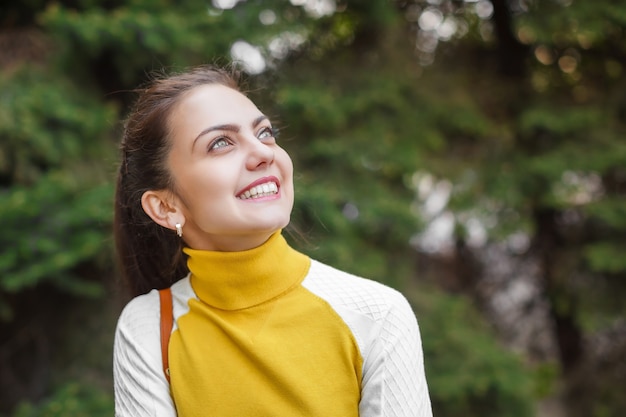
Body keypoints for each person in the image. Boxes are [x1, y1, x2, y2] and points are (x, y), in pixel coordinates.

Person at [113, 65, 433, 417]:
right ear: (165, 206)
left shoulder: (378, 315)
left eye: (266, 133)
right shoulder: (146, 328)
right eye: (221, 143)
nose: (265, 153)